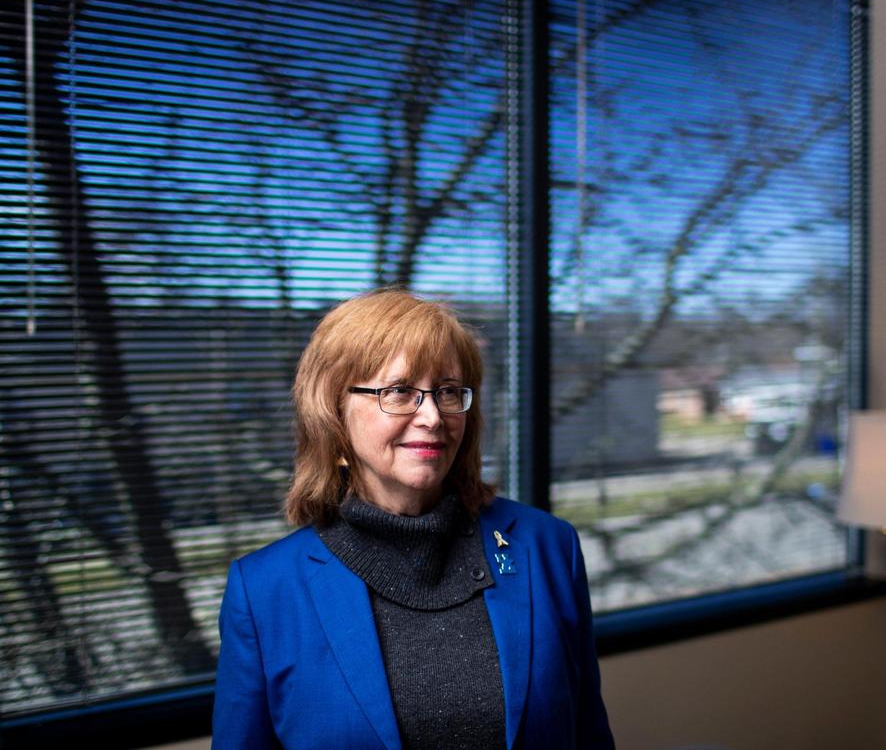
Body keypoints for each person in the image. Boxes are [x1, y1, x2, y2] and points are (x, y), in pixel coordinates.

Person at [212, 288, 614, 750]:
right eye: (400, 391)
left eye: (447, 391)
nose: (432, 416)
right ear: (334, 412)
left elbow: (589, 736)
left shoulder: (548, 547)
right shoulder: (265, 590)